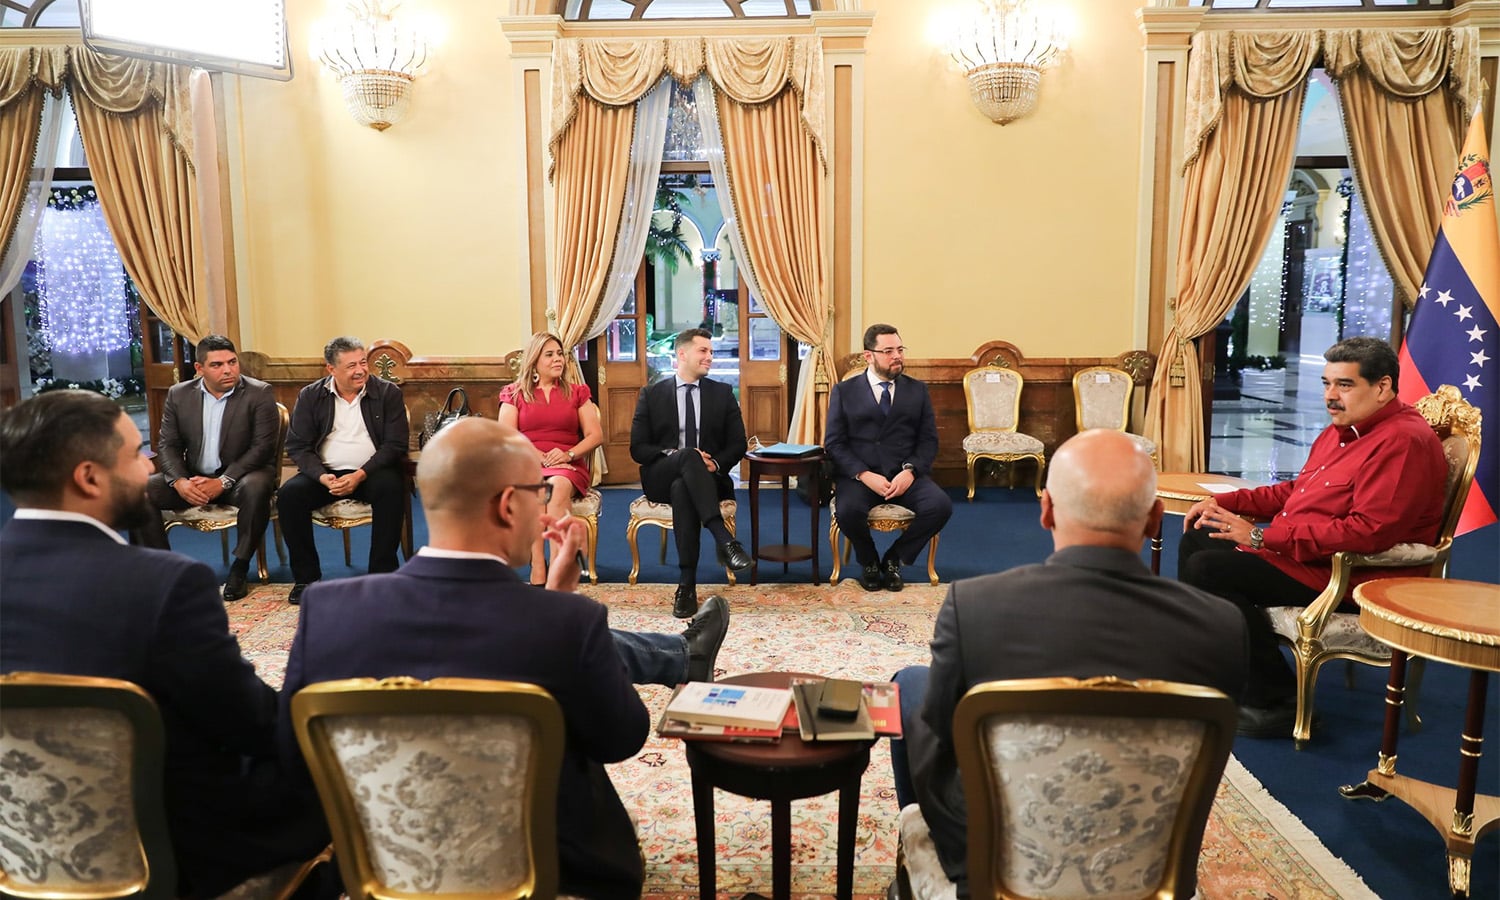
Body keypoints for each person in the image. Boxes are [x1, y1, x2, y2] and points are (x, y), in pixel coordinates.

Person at [279, 418, 726, 899]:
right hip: (552, 871)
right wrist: (561, 611)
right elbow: (622, 737)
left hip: (382, 873)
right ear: (509, 505)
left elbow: (292, 760)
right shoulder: (568, 623)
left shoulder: (326, 613)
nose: (543, 504)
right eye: (538, 492)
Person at [889, 429, 1247, 898]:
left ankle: (942, 861)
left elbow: (940, 734)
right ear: (1155, 519)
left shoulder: (975, 606)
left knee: (910, 686)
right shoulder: (1222, 626)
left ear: (1046, 510)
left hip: (995, 864)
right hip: (1146, 872)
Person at [0, 390, 331, 898]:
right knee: (333, 779)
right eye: (136, 454)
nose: (149, 465)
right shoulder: (164, 584)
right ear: (89, 477)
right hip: (164, 848)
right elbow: (250, 724)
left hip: (15, 845)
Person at [1179, 336, 1447, 737]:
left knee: (1209, 569)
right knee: (1200, 534)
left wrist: (1261, 539)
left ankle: (1276, 701)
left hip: (1348, 575)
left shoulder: (1403, 441)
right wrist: (1225, 503)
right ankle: (1228, 667)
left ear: (1383, 387)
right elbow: (1296, 493)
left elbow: (1366, 532)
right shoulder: (1343, 430)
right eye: (1326, 383)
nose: (1330, 396)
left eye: (1344, 385)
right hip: (1304, 555)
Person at [137, 334, 280, 601]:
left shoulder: (259, 393)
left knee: (258, 485)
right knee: (140, 491)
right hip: (195, 479)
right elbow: (167, 445)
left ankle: (240, 568)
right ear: (199, 368)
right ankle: (164, 571)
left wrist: (223, 481)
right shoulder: (179, 394)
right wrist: (179, 481)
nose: (228, 370)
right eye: (217, 365)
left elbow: (262, 449)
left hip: (240, 478)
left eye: (232, 362)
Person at [277, 335, 410, 604]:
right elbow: (298, 446)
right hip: (325, 474)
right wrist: (321, 476)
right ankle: (306, 578)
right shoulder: (311, 395)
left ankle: (381, 575)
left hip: (372, 472)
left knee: (392, 487)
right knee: (289, 495)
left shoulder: (387, 393)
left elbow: (395, 445)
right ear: (331, 369)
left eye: (363, 363)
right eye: (351, 366)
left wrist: (360, 474)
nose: (360, 370)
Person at [630, 327, 751, 618]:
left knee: (683, 489)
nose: (710, 357)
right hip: (661, 475)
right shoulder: (652, 394)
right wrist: (677, 455)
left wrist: (715, 463)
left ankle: (686, 586)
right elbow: (638, 448)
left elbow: (738, 444)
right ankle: (723, 538)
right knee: (686, 457)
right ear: (682, 354)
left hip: (708, 479)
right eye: (703, 351)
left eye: (711, 352)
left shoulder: (722, 394)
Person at [824, 323, 952, 592]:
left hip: (904, 475)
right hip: (861, 477)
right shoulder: (844, 391)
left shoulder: (917, 390)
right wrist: (863, 474)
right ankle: (869, 560)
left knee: (940, 506)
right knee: (847, 511)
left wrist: (910, 471)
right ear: (868, 356)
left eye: (900, 349)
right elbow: (834, 443)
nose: (897, 356)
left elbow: (928, 440)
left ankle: (894, 559)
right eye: (888, 351)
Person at [498, 331, 603, 583]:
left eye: (560, 354)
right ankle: (537, 564)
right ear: (534, 361)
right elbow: (506, 435)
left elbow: (595, 435)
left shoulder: (577, 392)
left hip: (567, 465)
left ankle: (558, 565)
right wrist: (537, 455)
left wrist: (568, 454)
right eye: (549, 355)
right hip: (528, 463)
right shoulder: (513, 393)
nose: (558, 359)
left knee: (556, 487)